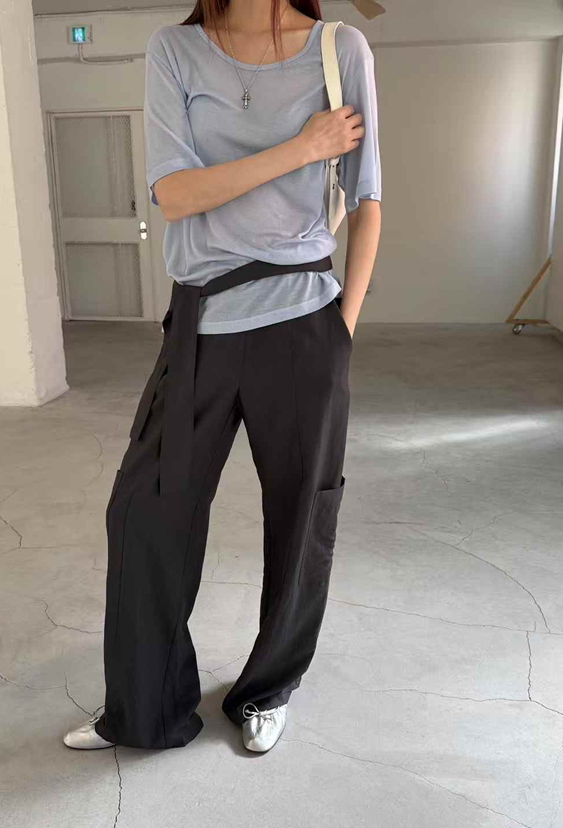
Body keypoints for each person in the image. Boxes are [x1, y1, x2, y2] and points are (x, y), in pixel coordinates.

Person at [63, 0, 381, 754]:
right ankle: (145, 707)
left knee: (303, 515)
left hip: (303, 322)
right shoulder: (175, 51)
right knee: (144, 512)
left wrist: (343, 328)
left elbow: (367, 198)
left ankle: (268, 689)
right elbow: (175, 194)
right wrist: (302, 147)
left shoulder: (340, 49)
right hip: (201, 322)